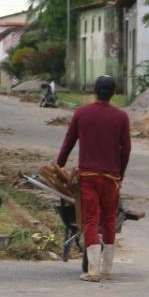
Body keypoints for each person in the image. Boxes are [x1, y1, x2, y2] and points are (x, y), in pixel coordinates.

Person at [55, 74, 132, 282]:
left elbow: (68, 142)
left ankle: (93, 271)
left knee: (90, 220)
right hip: (111, 178)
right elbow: (126, 150)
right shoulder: (121, 117)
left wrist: (60, 164)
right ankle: (107, 269)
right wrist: (120, 174)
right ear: (113, 94)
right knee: (108, 220)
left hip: (88, 176)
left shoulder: (81, 113)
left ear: (94, 91)